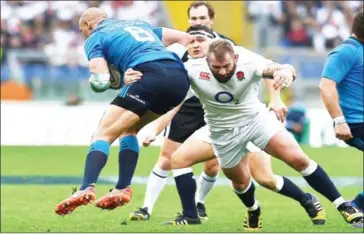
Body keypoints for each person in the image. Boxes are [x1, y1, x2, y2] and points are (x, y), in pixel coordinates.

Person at [127, 40, 363, 229]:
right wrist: (135, 80)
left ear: (235, 59)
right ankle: (253, 210)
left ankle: (343, 205)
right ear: (206, 61)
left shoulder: (248, 61)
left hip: (255, 120)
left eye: (226, 67)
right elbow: (163, 88)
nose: (221, 71)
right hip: (221, 132)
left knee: (297, 159)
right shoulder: (192, 69)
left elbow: (280, 68)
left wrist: (286, 74)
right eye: (216, 67)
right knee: (240, 183)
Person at [53, 7, 193, 216]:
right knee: (129, 131)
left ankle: (86, 188)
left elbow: (100, 82)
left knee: (102, 134)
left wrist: (113, 82)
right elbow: (185, 37)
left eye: (82, 30)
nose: (84, 35)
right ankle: (121, 189)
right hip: (178, 80)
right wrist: (168, 62)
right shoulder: (139, 25)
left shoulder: (96, 37)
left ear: (88, 25)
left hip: (148, 77)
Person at [129, 1, 235, 221]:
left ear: (211, 20)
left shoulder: (226, 46)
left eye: (202, 18)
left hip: (214, 110)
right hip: (184, 108)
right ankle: (146, 208)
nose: (197, 22)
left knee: (213, 165)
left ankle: (199, 204)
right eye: (194, 19)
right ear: (189, 20)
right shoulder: (179, 45)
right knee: (167, 157)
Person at [319, 10, 364, 227]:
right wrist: (339, 121)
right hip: (356, 123)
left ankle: (359, 205)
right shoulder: (346, 52)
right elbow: (326, 86)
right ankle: (358, 205)